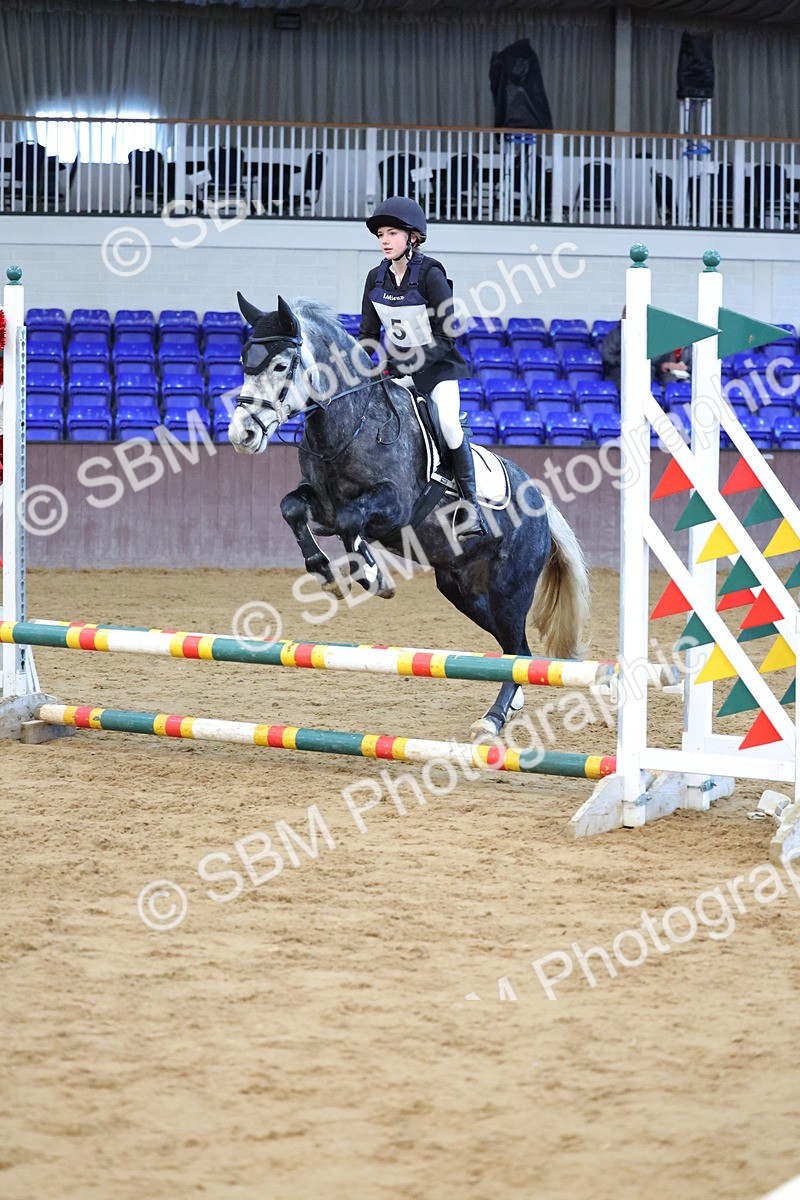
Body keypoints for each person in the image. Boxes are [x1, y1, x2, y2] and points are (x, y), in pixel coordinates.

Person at [358, 195, 489, 541]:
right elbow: (368, 336)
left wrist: (406, 364)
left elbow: (448, 335)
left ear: (412, 237)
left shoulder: (431, 275)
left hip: (437, 372)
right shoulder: (374, 279)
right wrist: (356, 368)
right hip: (396, 374)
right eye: (380, 235)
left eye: (391, 233)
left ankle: (471, 505)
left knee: (447, 422)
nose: (384, 240)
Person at [600, 306, 625, 391]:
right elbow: (607, 355)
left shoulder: (647, 335)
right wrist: (623, 361)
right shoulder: (614, 335)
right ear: (624, 315)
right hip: (619, 369)